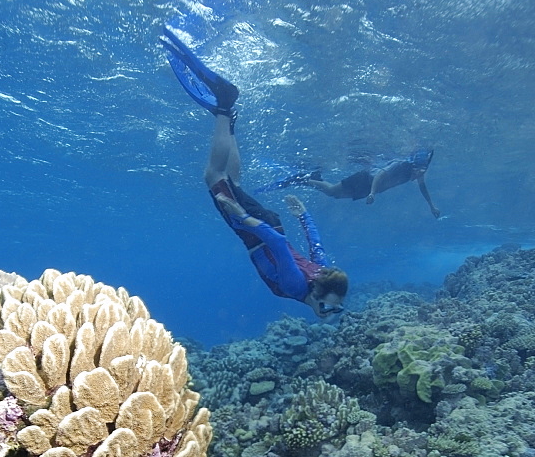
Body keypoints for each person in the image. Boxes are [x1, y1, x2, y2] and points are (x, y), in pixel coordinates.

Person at [160, 27, 348, 322]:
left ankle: (228, 119)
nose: (326, 312)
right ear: (317, 296)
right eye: (327, 307)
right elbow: (274, 245)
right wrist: (240, 216)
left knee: (233, 181)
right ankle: (225, 104)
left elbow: (316, 244)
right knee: (214, 176)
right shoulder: (296, 286)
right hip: (256, 230)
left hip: (269, 225)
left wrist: (303, 215)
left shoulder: (320, 273)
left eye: (332, 309)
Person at [260, 152, 440, 218]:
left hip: (368, 188)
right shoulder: (401, 164)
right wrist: (372, 193)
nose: (420, 174)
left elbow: (422, 186)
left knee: (335, 195)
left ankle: (312, 177)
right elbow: (379, 175)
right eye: (420, 170)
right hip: (366, 181)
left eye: (424, 171)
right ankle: (300, 179)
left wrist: (431, 206)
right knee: (331, 191)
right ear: (415, 165)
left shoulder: (416, 172)